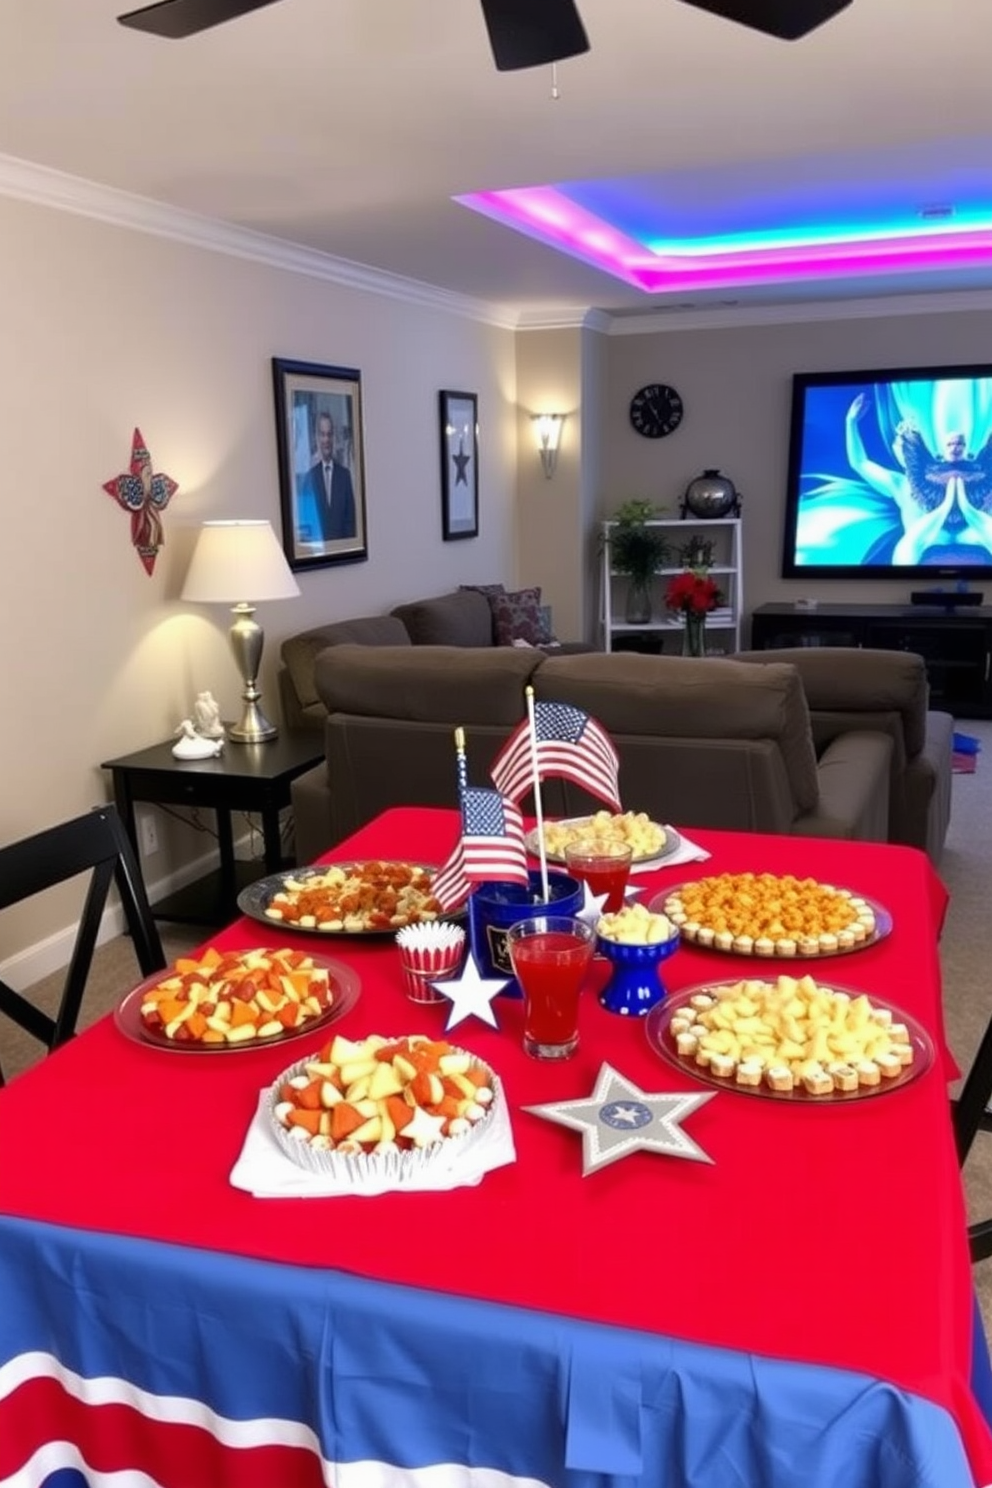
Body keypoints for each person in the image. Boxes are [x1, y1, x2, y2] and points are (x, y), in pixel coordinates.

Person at [845, 393, 992, 564]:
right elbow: (859, 463)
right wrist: (850, 422)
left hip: (978, 546)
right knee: (906, 547)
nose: (955, 448)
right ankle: (951, 510)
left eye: (959, 444)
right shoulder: (900, 483)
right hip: (915, 557)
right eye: (950, 444)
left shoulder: (977, 480)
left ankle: (966, 510)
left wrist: (966, 507)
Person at [296, 412, 356, 543]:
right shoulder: (309, 479)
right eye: (322, 434)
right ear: (317, 437)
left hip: (342, 554)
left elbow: (350, 522)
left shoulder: (345, 476)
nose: (326, 440)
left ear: (333, 437)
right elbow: (306, 526)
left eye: (329, 434)